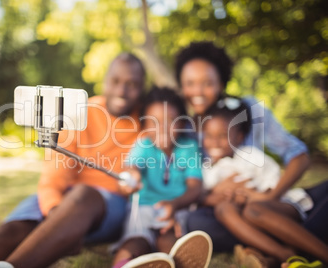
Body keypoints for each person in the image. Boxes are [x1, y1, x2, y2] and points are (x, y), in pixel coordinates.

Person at [0, 52, 146, 268]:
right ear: (105, 81)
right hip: (65, 199)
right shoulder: (83, 112)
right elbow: (54, 176)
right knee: (16, 229)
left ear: (142, 88)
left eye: (132, 84)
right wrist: (57, 216)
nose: (122, 91)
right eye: (116, 81)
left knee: (84, 194)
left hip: (108, 206)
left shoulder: (147, 122)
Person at [174, 41, 310, 252]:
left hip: (264, 201)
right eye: (190, 83)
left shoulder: (250, 110)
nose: (198, 91)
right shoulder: (184, 130)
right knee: (196, 223)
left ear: (221, 83)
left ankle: (267, 242)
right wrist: (213, 192)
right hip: (222, 210)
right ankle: (276, 242)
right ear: (181, 87)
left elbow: (298, 156)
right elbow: (187, 186)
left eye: (207, 83)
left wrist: (268, 198)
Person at [198, 99, 328, 267]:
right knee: (223, 209)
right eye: (209, 136)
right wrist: (229, 196)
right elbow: (203, 195)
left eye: (222, 136)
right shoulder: (210, 169)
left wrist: (257, 196)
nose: (214, 142)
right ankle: (285, 255)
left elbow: (272, 179)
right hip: (244, 212)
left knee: (252, 210)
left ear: (239, 137)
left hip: (276, 205)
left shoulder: (250, 156)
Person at [111, 87, 209, 268]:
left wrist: (175, 204)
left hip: (174, 211)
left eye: (170, 121)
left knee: (171, 242)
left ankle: (174, 262)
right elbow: (131, 167)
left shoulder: (188, 148)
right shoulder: (144, 145)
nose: (162, 128)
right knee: (135, 242)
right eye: (154, 122)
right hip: (142, 210)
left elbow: (195, 187)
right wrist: (130, 177)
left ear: (181, 124)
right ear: (145, 125)